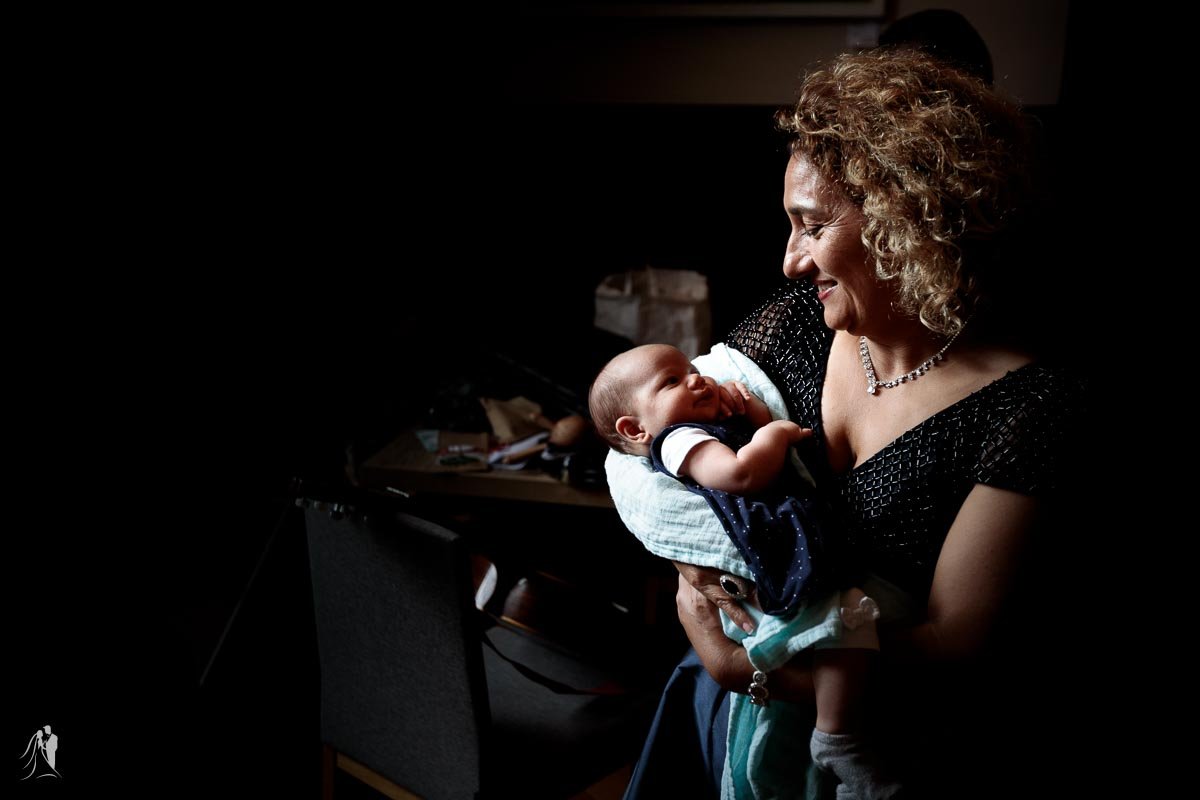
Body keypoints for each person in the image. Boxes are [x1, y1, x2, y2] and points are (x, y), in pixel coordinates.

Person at [607, 48, 1087, 799]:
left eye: (812, 226)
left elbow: (954, 646)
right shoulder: (794, 324)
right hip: (718, 706)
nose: (793, 261)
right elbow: (661, 459)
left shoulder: (1029, 406)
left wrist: (750, 667)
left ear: (907, 219)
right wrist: (687, 563)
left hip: (880, 751)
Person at [589, 342, 900, 798]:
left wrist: (748, 408)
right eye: (672, 382)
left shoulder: (705, 424)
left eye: (691, 369)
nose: (695, 379)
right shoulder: (678, 441)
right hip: (766, 541)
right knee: (841, 615)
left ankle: (837, 738)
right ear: (635, 428)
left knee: (845, 621)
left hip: (783, 526)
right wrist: (774, 436)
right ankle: (838, 738)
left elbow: (757, 439)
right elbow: (739, 474)